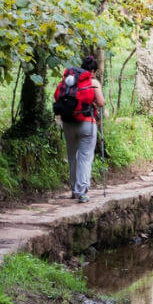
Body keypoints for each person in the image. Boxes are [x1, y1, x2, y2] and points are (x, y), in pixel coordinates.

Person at [54, 55, 106, 203]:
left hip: (68, 122)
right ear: (94, 71)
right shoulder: (93, 81)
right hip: (87, 124)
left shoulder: (69, 81)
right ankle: (81, 191)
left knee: (72, 157)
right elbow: (101, 102)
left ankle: (73, 190)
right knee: (85, 157)